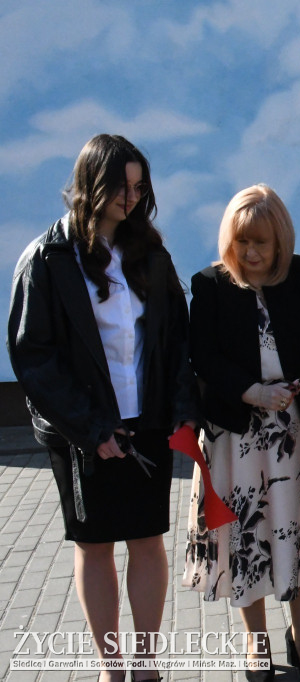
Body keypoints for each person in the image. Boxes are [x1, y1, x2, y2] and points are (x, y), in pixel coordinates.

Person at [8, 134, 198, 682]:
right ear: (92, 183)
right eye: (121, 187)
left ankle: (146, 665)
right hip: (83, 431)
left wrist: (184, 406)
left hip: (147, 423)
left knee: (147, 540)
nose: (131, 198)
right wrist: (92, 429)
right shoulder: (47, 258)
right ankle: (110, 668)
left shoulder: (151, 253)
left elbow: (176, 339)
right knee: (94, 547)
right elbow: (34, 356)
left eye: (139, 188)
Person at [183, 185, 300, 681]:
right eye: (242, 242)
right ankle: (256, 644)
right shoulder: (209, 284)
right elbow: (203, 356)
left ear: (281, 240)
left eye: (261, 242)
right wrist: (251, 391)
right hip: (237, 436)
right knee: (247, 541)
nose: (252, 253)